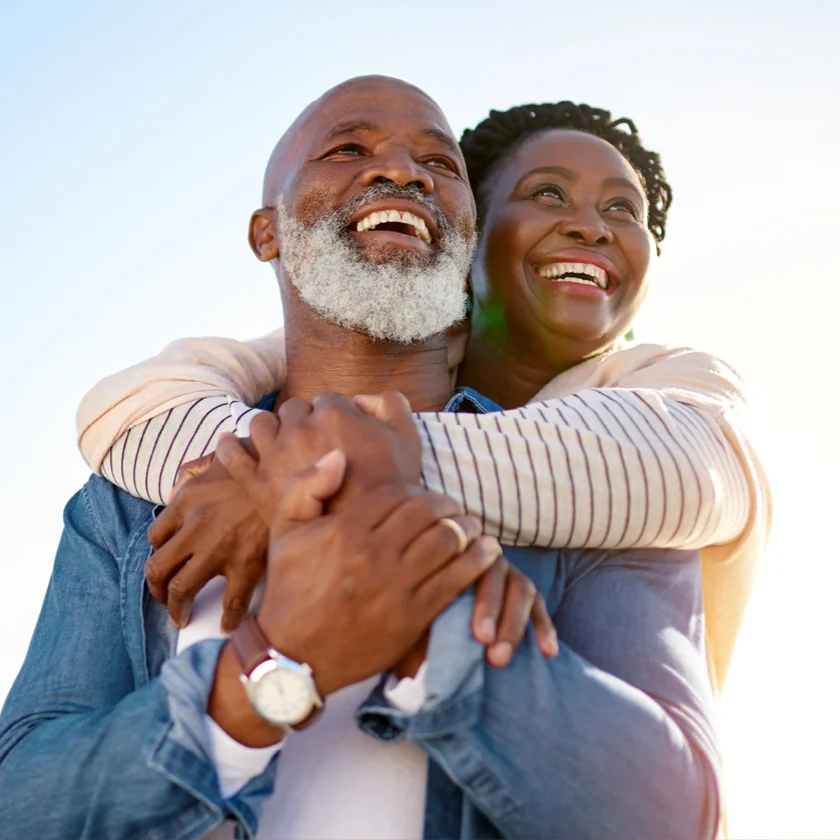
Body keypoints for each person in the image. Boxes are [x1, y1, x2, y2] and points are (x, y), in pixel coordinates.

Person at [1, 76, 728, 839]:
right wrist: (273, 665)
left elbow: (674, 816)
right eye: (348, 148)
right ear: (267, 233)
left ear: (469, 238)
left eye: (439, 164)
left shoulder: (601, 484)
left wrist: (438, 629)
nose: (404, 172)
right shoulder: (127, 500)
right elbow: (20, 805)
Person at [78, 101, 769, 693]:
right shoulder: (366, 367)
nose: (592, 226)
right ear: (464, 238)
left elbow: (682, 472)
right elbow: (133, 405)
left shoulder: (673, 383)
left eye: (623, 209)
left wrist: (305, 476)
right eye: (548, 194)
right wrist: (291, 465)